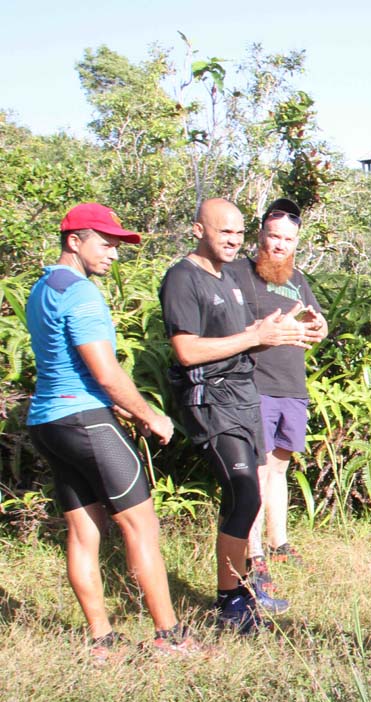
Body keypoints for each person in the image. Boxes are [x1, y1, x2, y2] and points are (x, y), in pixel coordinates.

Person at [25, 203, 206, 662]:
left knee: (84, 530)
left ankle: (102, 641)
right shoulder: (83, 295)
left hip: (48, 422)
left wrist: (114, 409)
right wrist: (149, 415)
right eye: (105, 244)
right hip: (85, 420)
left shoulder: (43, 288)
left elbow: (66, 366)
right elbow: (104, 373)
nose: (112, 254)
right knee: (140, 526)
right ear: (74, 240)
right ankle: (170, 637)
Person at [158, 198, 313, 632]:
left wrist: (279, 334)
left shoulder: (228, 279)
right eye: (224, 232)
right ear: (198, 230)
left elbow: (246, 339)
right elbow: (187, 351)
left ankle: (242, 591)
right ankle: (231, 602)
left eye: (238, 233)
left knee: (248, 494)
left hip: (243, 394)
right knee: (245, 494)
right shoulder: (182, 278)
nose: (233, 240)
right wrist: (255, 337)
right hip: (211, 399)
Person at [226, 199, 327, 588]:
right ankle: (253, 552)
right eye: (274, 236)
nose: (280, 245)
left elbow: (317, 323)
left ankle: (279, 542)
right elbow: (225, 325)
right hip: (256, 385)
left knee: (281, 467)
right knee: (258, 469)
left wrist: (320, 328)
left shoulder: (296, 278)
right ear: (261, 236)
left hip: (291, 386)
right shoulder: (238, 274)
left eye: (288, 239)